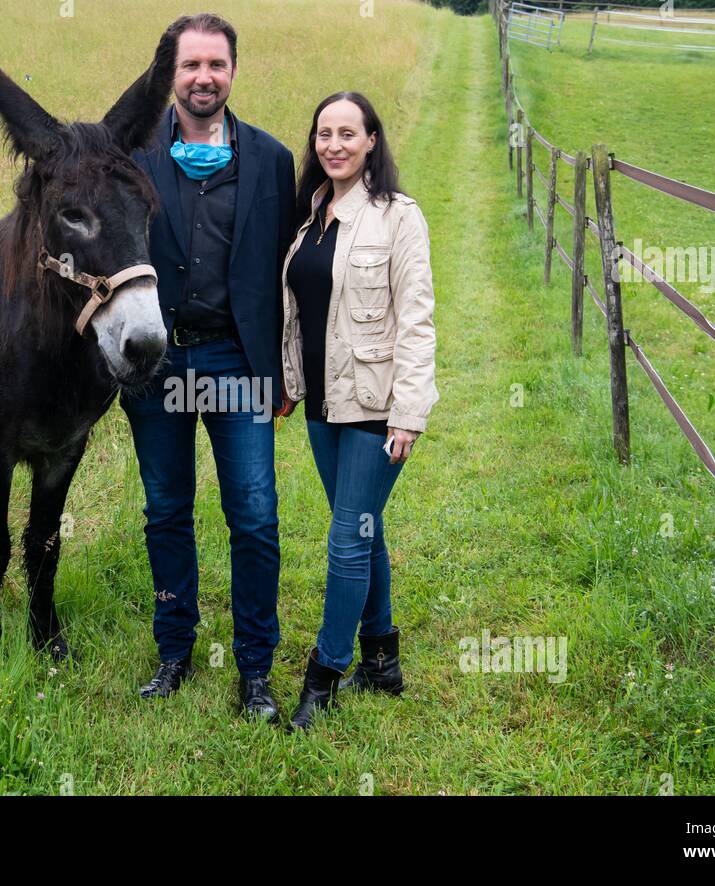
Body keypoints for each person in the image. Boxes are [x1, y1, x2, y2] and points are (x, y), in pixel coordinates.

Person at [125, 13, 296, 721]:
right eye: (190, 65)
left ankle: (255, 670)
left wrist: (286, 371)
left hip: (238, 360)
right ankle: (174, 651)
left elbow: (285, 272)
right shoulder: (132, 156)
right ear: (172, 74)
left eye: (215, 64)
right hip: (158, 361)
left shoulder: (271, 159)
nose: (203, 77)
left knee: (253, 517)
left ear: (233, 71)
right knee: (167, 511)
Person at [278, 92, 437, 731]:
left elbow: (417, 320)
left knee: (346, 538)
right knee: (363, 526)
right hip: (322, 400)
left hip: (375, 405)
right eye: (324, 133)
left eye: (349, 132)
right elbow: (301, 313)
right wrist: (289, 380)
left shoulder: (398, 217)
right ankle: (383, 657)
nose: (334, 144)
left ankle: (326, 673)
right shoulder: (310, 216)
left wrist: (409, 412)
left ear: (372, 139)